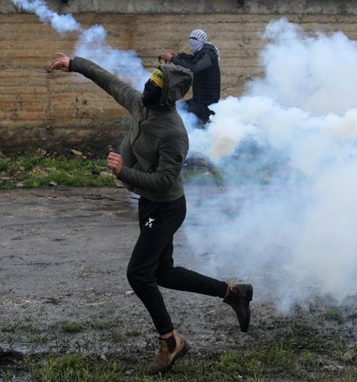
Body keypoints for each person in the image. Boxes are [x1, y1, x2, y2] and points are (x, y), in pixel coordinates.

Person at [49, 52, 253, 375]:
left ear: (168, 95)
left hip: (167, 206)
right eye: (151, 79)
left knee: (139, 274)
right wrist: (74, 63)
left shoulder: (174, 133)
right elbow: (110, 81)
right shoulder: (141, 104)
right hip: (148, 203)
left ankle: (171, 341)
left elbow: (163, 181)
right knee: (163, 273)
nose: (148, 85)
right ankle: (233, 293)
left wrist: (122, 173)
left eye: (157, 83)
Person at [160, 28, 221, 126]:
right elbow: (193, 59)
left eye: (194, 40)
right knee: (180, 110)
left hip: (207, 103)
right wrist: (179, 56)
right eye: (190, 41)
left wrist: (172, 59)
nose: (192, 44)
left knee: (182, 114)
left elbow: (194, 67)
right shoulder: (203, 51)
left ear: (201, 41)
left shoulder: (207, 53)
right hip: (200, 99)